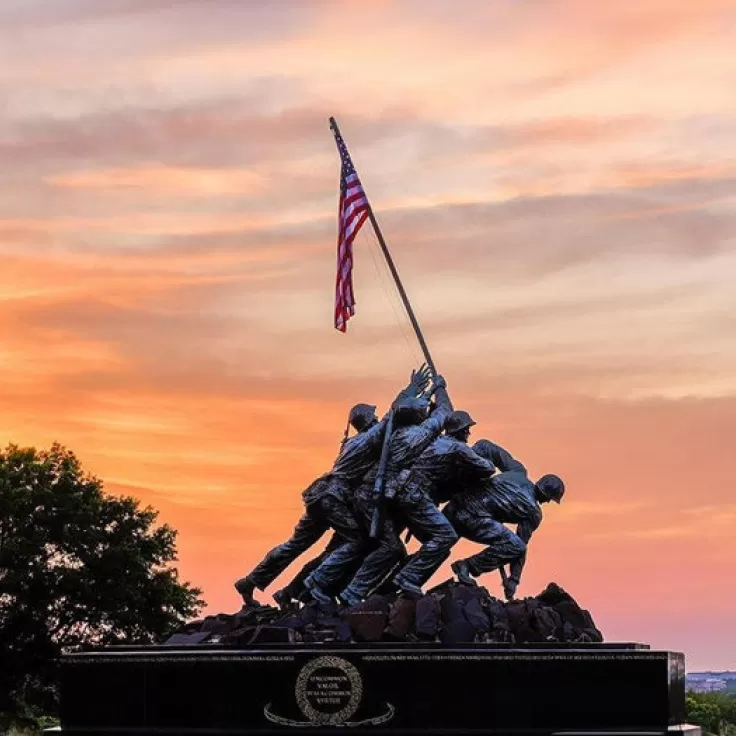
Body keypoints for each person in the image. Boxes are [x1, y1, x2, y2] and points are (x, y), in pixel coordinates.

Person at [233, 367, 431, 607]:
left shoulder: (350, 443)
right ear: (368, 421)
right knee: (357, 540)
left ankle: (251, 581)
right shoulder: (367, 440)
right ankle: (315, 584)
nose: (378, 419)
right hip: (333, 498)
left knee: (294, 545)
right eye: (373, 416)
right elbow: (393, 415)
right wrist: (414, 388)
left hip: (320, 495)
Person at [337, 374, 453, 606]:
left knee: (391, 548)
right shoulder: (414, 436)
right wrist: (440, 390)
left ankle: (367, 589)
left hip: (378, 494)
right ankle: (380, 585)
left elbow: (394, 410)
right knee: (438, 537)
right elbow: (444, 414)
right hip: (381, 495)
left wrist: (414, 389)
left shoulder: (391, 431)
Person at [387, 410, 496, 597]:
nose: (468, 434)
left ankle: (395, 583)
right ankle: (406, 578)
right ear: (459, 430)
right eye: (467, 429)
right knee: (447, 536)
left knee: (438, 545)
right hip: (417, 496)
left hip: (409, 493)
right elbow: (488, 468)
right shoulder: (458, 448)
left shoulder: (437, 442)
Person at [444, 439, 565, 600]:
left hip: (455, 505)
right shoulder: (533, 513)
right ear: (548, 496)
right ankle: (466, 566)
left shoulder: (517, 471)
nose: (548, 502)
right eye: (550, 499)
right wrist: (514, 580)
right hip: (471, 520)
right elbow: (519, 548)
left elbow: (484, 446)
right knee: (516, 546)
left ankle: (410, 572)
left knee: (437, 547)